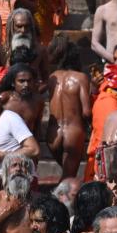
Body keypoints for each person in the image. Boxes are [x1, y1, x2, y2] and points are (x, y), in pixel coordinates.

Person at [47, 36, 91, 178]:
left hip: (52, 135)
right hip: (73, 134)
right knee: (68, 179)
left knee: (66, 175)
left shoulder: (52, 77)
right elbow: (86, 112)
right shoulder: (81, 78)